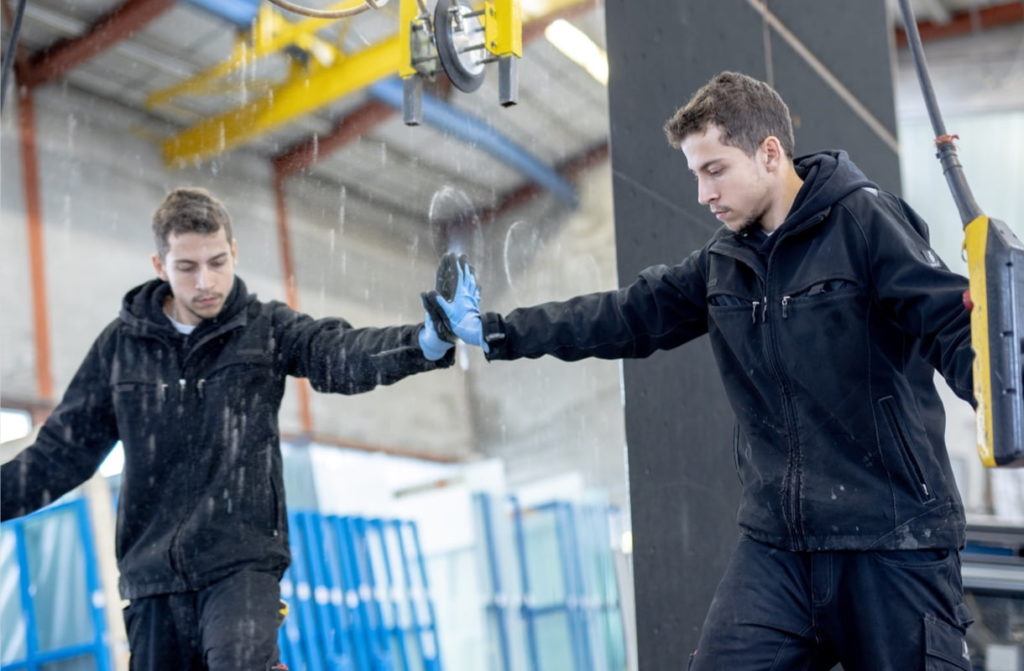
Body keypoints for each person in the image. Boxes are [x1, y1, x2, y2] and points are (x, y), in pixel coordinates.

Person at [426, 72, 976, 670]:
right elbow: (622, 316)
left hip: (893, 537)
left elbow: (953, 323)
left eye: (715, 169)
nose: (703, 193)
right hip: (779, 546)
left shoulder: (866, 223)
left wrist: (1006, 403)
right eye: (695, 174)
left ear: (769, 153)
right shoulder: (724, 263)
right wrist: (498, 330)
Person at [1, 187, 457, 670]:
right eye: (187, 268)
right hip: (153, 578)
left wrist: (423, 343)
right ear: (160, 265)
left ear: (234, 252)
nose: (206, 282)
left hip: (240, 564)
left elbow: (336, 353)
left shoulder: (266, 329)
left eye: (218, 262)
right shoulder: (122, 348)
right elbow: (57, 455)